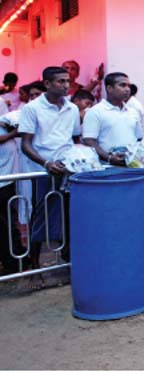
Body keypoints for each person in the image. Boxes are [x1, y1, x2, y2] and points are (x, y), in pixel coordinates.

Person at [18, 66, 81, 268]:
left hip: (68, 169)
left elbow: (74, 138)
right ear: (47, 84)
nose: (65, 86)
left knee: (70, 213)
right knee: (41, 216)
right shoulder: (32, 108)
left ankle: (68, 257)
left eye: (67, 82)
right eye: (60, 81)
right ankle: (35, 265)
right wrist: (46, 163)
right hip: (43, 170)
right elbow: (25, 144)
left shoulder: (72, 108)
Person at [82, 72, 142, 165]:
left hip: (132, 165)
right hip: (107, 166)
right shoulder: (95, 111)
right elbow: (89, 140)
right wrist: (109, 158)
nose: (127, 89)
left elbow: (138, 138)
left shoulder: (133, 112)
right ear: (109, 88)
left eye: (128, 86)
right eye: (122, 85)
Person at [0, 109, 22, 274]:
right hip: (2, 181)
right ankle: (10, 261)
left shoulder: (6, 120)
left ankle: (15, 257)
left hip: (7, 179)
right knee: (4, 223)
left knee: (9, 221)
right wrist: (14, 133)